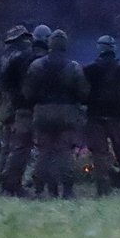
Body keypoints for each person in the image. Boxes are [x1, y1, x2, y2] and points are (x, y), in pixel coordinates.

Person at [22, 30, 89, 198]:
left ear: (50, 44)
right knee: (64, 151)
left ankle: (40, 189)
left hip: (43, 112)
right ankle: (67, 190)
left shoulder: (37, 65)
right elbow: (83, 92)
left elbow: (28, 92)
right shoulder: (73, 67)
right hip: (66, 113)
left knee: (44, 151)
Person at [83, 35, 120, 196]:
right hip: (119, 116)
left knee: (99, 154)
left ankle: (103, 190)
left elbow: (82, 92)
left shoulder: (89, 69)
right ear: (113, 49)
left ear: (99, 49)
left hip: (95, 115)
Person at [0, 25, 32, 195]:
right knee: (19, 146)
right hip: (17, 106)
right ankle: (12, 184)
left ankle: (4, 181)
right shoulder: (21, 57)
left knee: (7, 145)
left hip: (5, 103)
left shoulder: (2, 58)